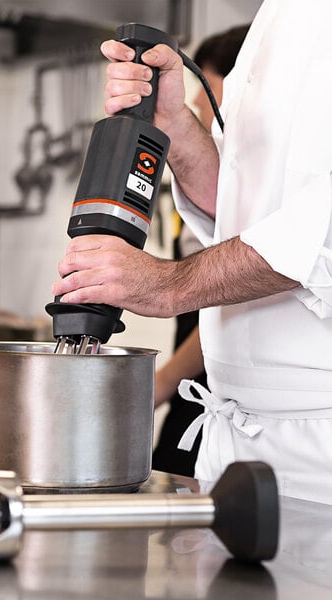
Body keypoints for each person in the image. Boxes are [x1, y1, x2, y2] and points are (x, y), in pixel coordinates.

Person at [52, 0, 332, 503]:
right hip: (233, 438)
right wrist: (176, 127)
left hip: (320, 448)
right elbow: (242, 208)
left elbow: (321, 235)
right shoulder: (279, 15)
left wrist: (169, 284)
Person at [152, 25, 249, 477]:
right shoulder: (225, 182)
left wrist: (164, 381)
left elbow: (229, 292)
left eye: (205, 86)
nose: (195, 101)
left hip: (212, 388)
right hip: (200, 386)